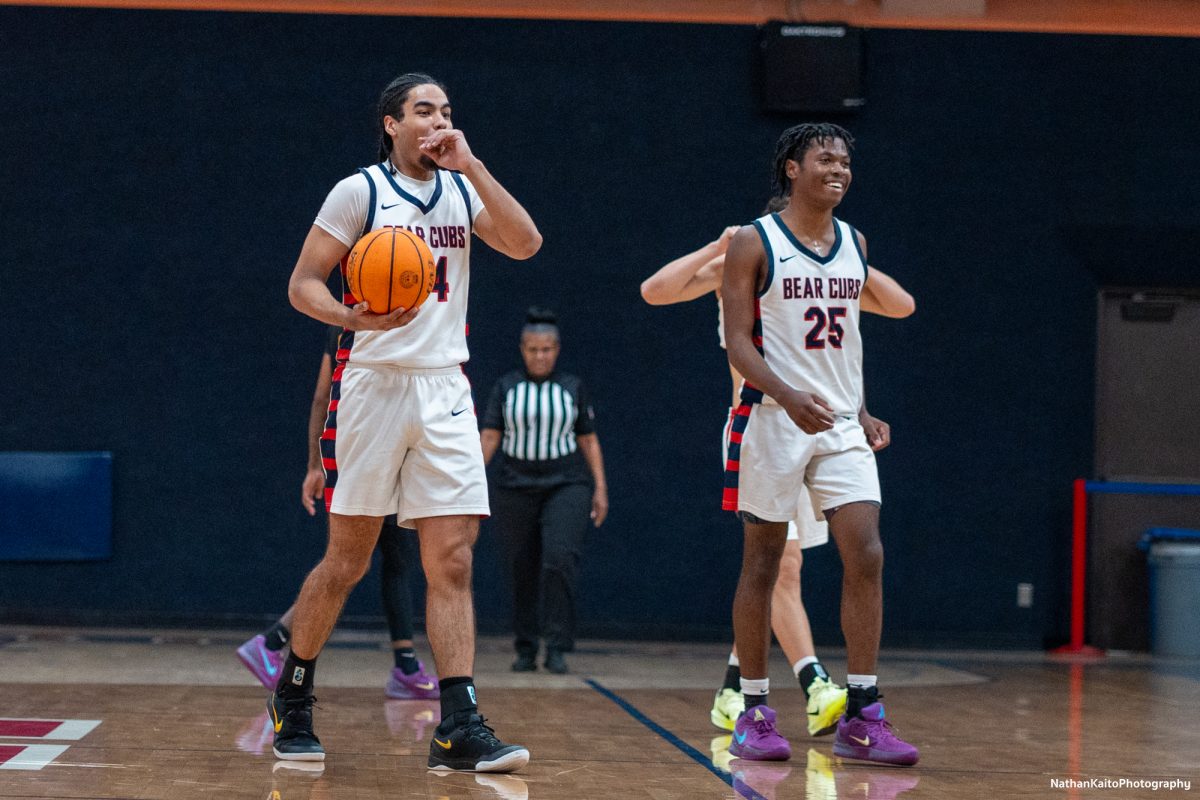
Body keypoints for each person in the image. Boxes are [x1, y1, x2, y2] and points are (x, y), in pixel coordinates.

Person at [274, 72, 542, 773]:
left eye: (446, 111)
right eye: (424, 110)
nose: (437, 121)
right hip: (371, 386)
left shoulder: (460, 189)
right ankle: (294, 690)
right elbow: (303, 284)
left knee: (451, 559)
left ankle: (459, 724)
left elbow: (526, 242)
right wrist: (351, 316)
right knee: (348, 563)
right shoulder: (359, 191)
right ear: (391, 124)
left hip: (445, 387)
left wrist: (473, 164)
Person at [641, 200, 914, 739]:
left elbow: (902, 304)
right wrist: (718, 246)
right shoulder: (740, 261)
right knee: (778, 566)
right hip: (766, 424)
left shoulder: (830, 260)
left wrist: (837, 258)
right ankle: (809, 684)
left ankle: (733, 686)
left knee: (813, 564)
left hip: (827, 425)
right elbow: (655, 289)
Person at [720, 123, 918, 765]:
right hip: (772, 419)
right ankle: (752, 709)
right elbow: (738, 344)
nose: (838, 168)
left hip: (836, 425)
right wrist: (786, 393)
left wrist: (861, 409)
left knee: (866, 552)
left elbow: (843, 344)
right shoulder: (754, 241)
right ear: (790, 169)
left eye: (844, 161)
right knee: (765, 565)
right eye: (824, 159)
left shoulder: (855, 243)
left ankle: (864, 712)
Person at [236, 325, 438, 701]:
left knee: (374, 560)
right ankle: (275, 641)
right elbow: (323, 394)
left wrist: (315, 465)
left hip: (354, 447)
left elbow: (320, 397)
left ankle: (404, 665)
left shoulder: (344, 317)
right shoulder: (392, 318)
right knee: (360, 561)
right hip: (375, 446)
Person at [479, 307, 609, 676]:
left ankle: (556, 646)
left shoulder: (571, 387)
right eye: (534, 349)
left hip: (566, 483)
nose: (540, 356)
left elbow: (588, 438)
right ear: (522, 349)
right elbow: (489, 436)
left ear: (557, 349)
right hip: (514, 485)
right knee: (520, 567)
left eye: (547, 349)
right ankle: (524, 646)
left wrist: (599, 487)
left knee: (559, 560)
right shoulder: (506, 388)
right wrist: (467, 486)